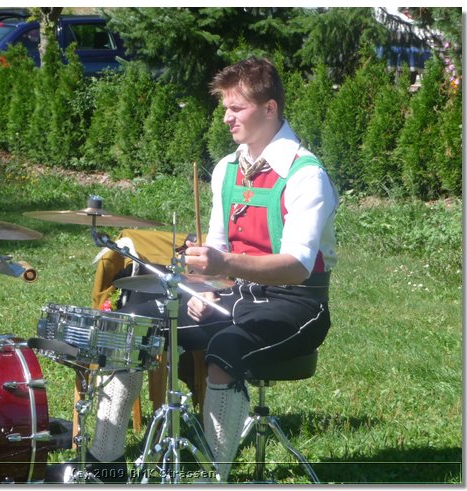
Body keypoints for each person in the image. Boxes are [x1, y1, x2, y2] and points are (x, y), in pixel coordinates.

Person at [49, 56, 338, 483]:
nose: (226, 117)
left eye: (236, 108)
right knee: (129, 328)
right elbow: (216, 250)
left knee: (226, 348)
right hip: (234, 295)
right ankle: (105, 465)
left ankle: (213, 477)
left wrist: (224, 266)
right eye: (225, 107)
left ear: (269, 108)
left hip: (297, 304)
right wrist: (205, 285)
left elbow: (296, 267)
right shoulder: (226, 169)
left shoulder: (305, 175)